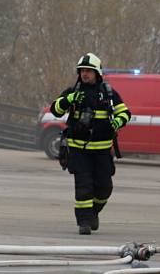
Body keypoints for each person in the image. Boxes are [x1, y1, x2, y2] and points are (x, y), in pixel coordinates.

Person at [50, 53, 131, 235]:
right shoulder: (73, 92)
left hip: (102, 152)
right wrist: (68, 100)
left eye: (89, 71)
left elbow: (125, 113)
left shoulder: (108, 93)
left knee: (105, 187)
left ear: (97, 73)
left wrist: (118, 122)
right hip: (78, 150)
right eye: (82, 71)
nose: (85, 74)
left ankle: (93, 212)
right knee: (84, 186)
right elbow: (55, 109)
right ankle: (84, 222)